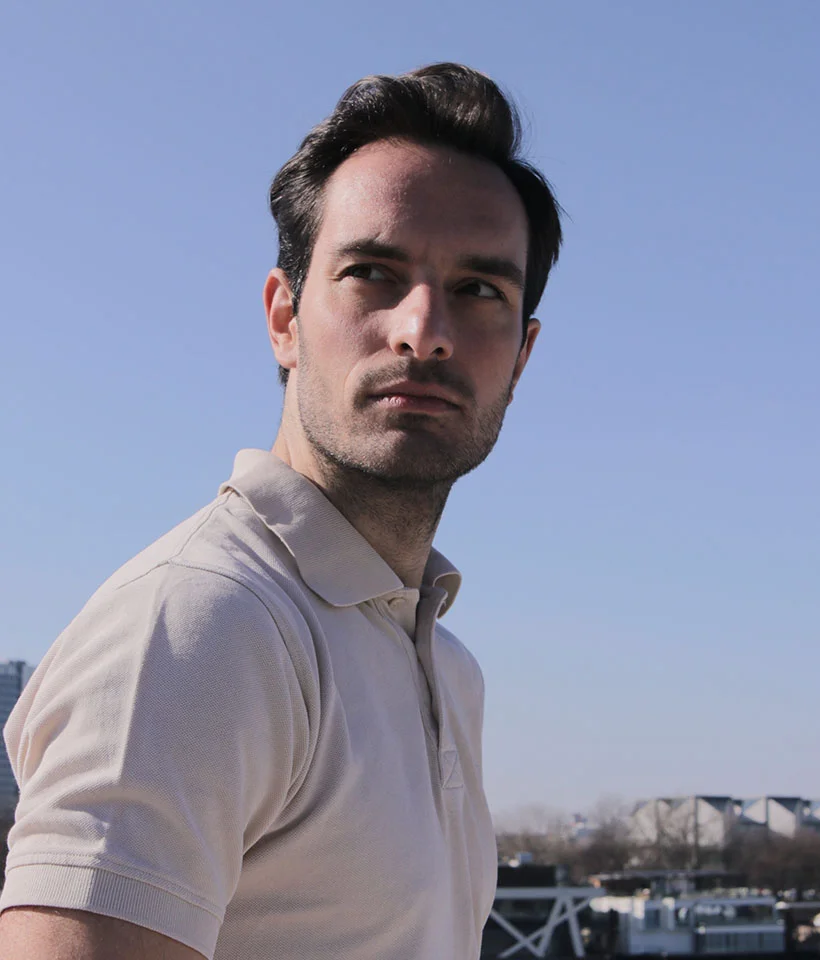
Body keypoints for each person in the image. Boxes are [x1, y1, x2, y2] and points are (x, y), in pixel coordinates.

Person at [0, 63, 562, 959]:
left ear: (523, 354)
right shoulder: (200, 625)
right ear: (284, 317)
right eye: (373, 273)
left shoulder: (445, 664)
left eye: (481, 289)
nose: (426, 327)